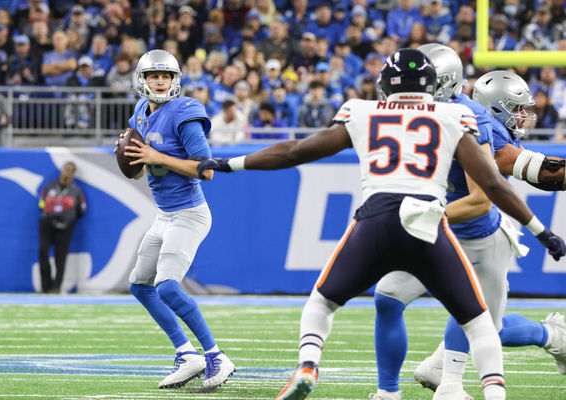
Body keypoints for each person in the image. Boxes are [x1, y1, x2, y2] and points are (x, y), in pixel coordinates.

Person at [196, 48, 566, 400]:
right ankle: (395, 389)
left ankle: (534, 343)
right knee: (412, 304)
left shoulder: (398, 113)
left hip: (461, 231)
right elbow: (495, 182)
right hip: (427, 227)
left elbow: (493, 189)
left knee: (326, 302)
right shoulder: (447, 117)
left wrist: (233, 163)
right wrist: (541, 231)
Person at [371, 44, 566, 400]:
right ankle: (398, 388)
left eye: (419, 85)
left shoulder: (475, 120)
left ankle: (550, 337)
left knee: (482, 323)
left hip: (473, 233)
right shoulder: (408, 113)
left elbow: (509, 179)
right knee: (388, 298)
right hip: (432, 230)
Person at [114, 49, 235, 391]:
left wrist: (156, 156)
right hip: (164, 215)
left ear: (176, 81)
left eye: (166, 76)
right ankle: (187, 354)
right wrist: (132, 159)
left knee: (167, 286)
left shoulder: (185, 111)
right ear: (143, 81)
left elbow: (207, 171)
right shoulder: (139, 113)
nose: (160, 81)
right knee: (140, 285)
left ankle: (215, 355)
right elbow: (139, 174)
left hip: (189, 213)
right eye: (154, 76)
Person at [38, 161, 86, 294]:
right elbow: (41, 203)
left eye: (71, 170)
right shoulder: (50, 186)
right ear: (61, 170)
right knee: (43, 252)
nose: (68, 172)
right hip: (47, 223)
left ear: (74, 173)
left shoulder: (75, 190)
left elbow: (81, 209)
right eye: (66, 168)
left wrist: (69, 219)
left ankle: (56, 286)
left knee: (61, 256)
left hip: (66, 226)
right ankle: (45, 286)